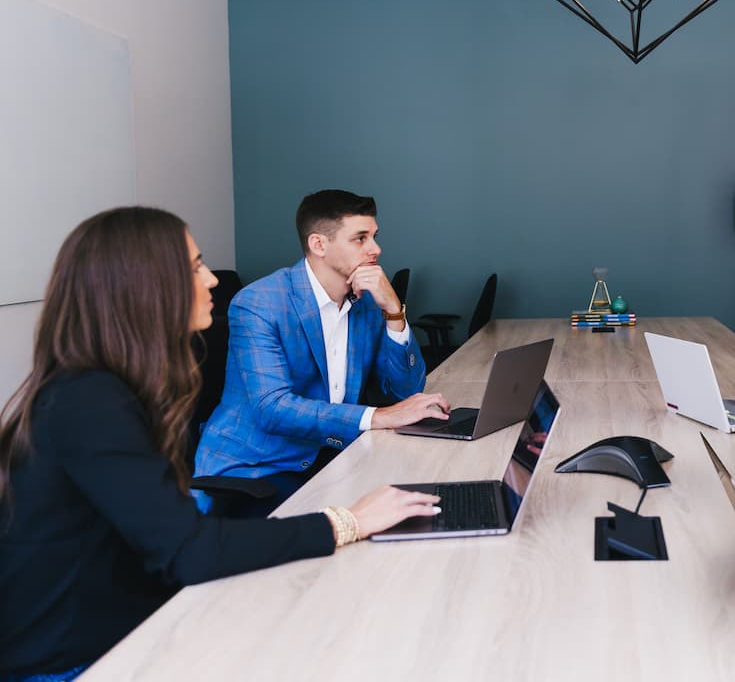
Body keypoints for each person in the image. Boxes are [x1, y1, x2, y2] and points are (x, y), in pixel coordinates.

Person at [0, 207, 441, 682]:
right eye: (194, 267)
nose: (211, 279)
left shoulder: (112, 389)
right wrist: (351, 521)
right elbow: (189, 549)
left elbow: (165, 546)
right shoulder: (89, 402)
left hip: (124, 624)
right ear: (143, 287)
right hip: (76, 661)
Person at [193, 190, 450, 514]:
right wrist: (379, 416)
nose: (376, 249)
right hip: (258, 468)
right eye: (360, 238)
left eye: (374, 236)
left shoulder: (367, 303)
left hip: (333, 454)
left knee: (426, 500)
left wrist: (393, 310)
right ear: (319, 245)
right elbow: (272, 408)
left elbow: (407, 390)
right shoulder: (260, 302)